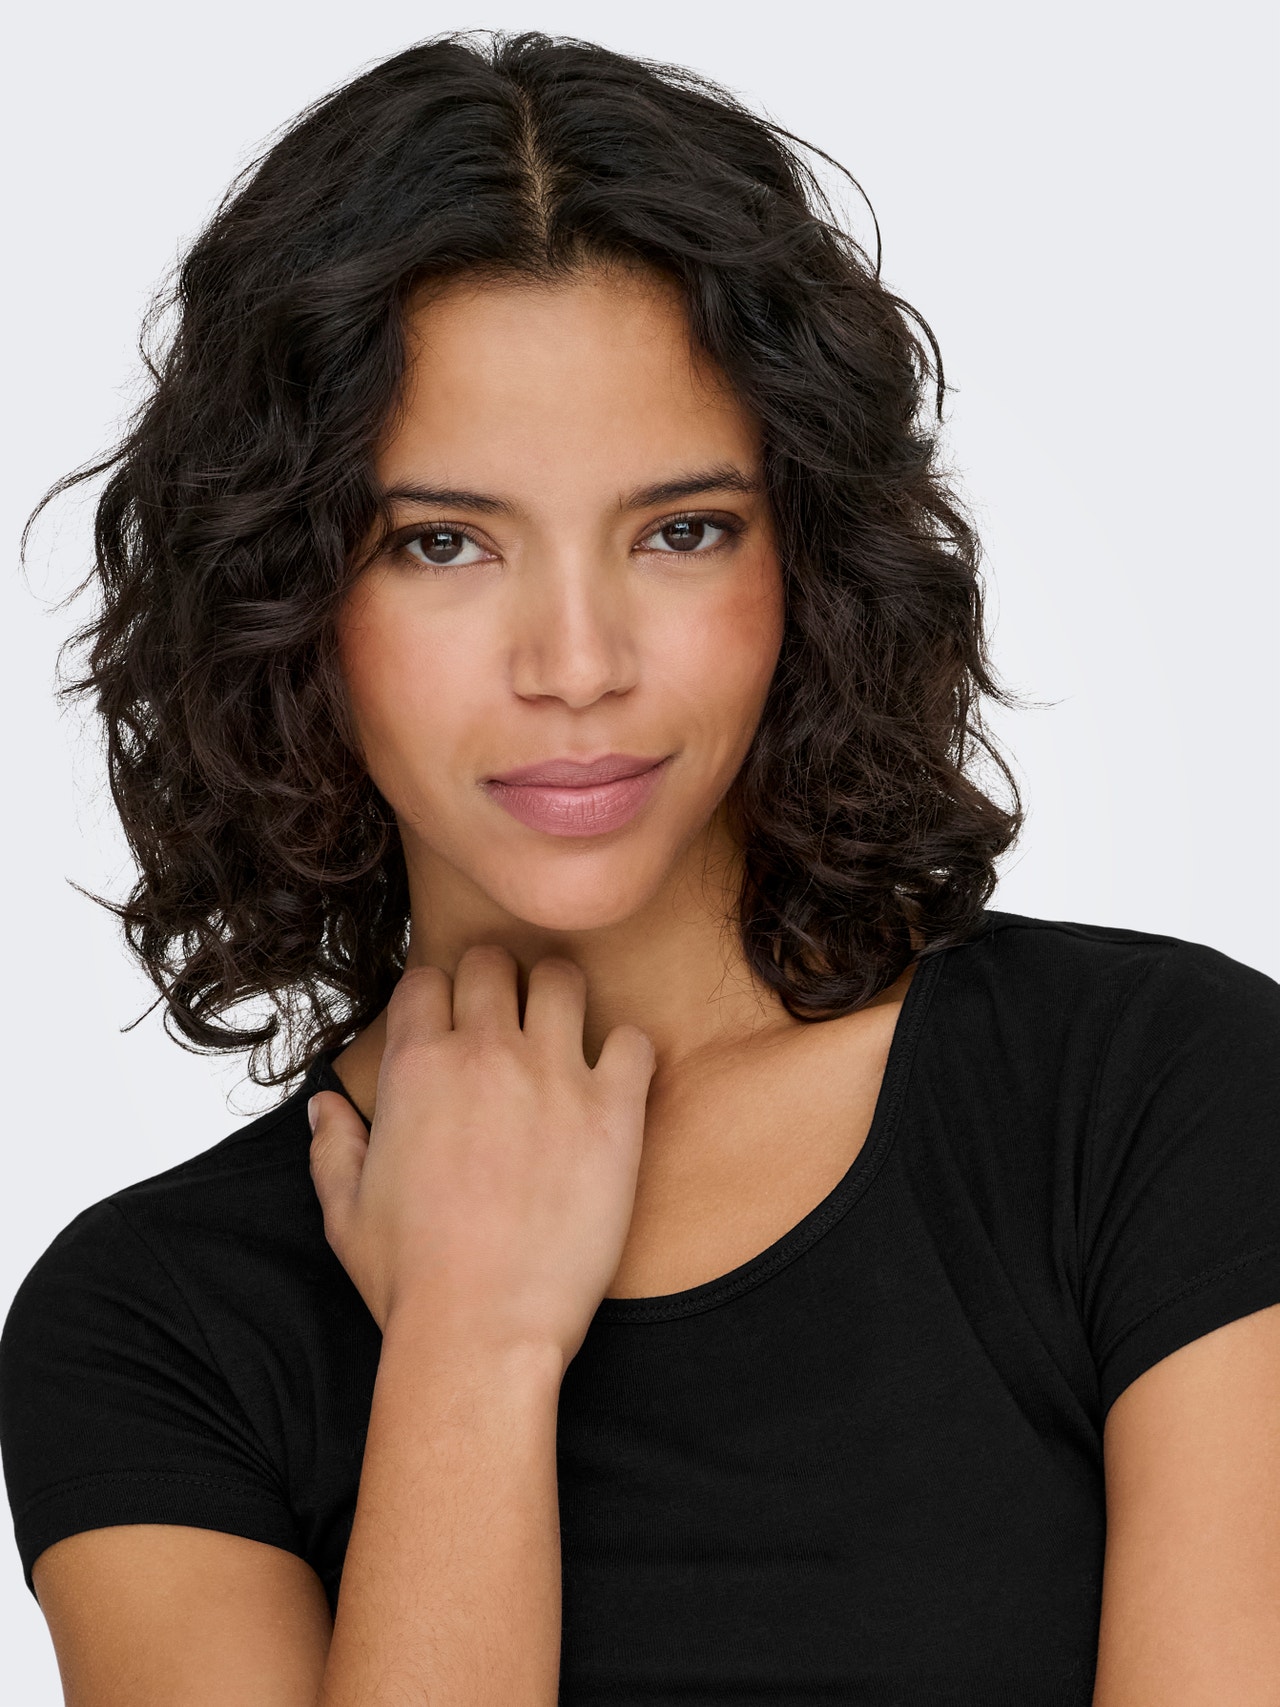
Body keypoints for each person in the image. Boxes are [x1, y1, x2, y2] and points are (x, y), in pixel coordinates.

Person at [1, 27, 1277, 1706]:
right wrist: (470, 1346)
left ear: (807, 558)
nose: (579, 664)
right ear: (288, 597)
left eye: (682, 531)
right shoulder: (154, 1328)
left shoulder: (1158, 1100)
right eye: (442, 542)